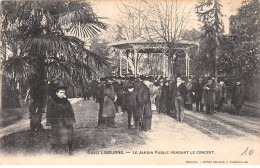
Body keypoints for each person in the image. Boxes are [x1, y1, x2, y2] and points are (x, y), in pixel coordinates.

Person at [46, 82, 75, 155]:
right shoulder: (52, 101)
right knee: (55, 136)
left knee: (69, 135)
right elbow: (49, 112)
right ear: (56, 93)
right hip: (57, 121)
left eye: (64, 92)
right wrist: (49, 122)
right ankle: (53, 150)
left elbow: (71, 111)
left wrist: (71, 120)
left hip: (66, 121)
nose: (62, 94)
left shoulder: (66, 101)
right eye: (61, 92)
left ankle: (70, 150)